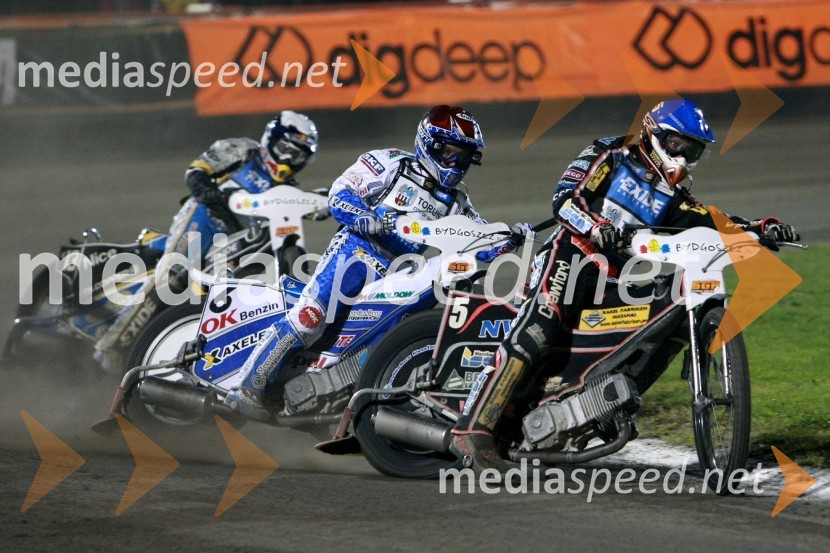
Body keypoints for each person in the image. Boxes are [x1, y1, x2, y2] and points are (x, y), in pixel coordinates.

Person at [449, 98, 800, 472]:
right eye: (677, 144)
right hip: (572, 254)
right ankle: (473, 429)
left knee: (666, 323)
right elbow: (565, 201)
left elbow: (709, 222)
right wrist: (596, 227)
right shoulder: (612, 153)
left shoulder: (673, 197)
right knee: (539, 328)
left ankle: (604, 406)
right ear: (654, 134)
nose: (682, 157)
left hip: (616, 279)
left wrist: (759, 228)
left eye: (693, 150)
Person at [224, 105, 529, 421]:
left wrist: (509, 241)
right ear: (430, 143)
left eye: (463, 156)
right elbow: (339, 194)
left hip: (398, 271)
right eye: (450, 152)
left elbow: (478, 246)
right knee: (310, 316)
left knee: (388, 337)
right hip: (354, 253)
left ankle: (340, 394)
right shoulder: (390, 163)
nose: (456, 163)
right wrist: (362, 216)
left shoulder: (458, 203)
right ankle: (246, 386)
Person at [93, 111, 319, 371]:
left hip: (235, 242)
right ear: (271, 140)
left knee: (219, 298)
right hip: (206, 217)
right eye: (285, 150)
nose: (288, 160)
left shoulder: (289, 191)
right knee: (173, 274)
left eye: (297, 156)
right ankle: (110, 347)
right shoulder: (244, 150)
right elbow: (197, 171)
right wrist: (208, 191)